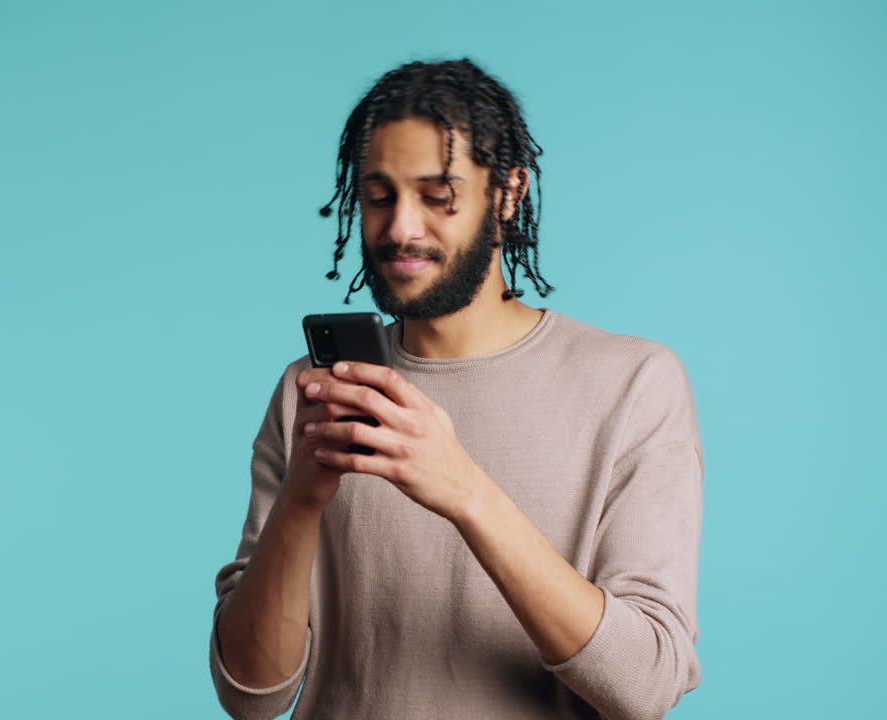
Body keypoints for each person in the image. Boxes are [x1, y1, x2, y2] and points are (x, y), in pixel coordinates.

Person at [209, 58, 704, 720]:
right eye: (378, 197)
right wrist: (300, 502)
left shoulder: (634, 384)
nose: (401, 229)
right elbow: (250, 695)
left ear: (508, 192)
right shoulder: (316, 393)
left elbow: (645, 685)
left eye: (437, 195)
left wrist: (465, 491)